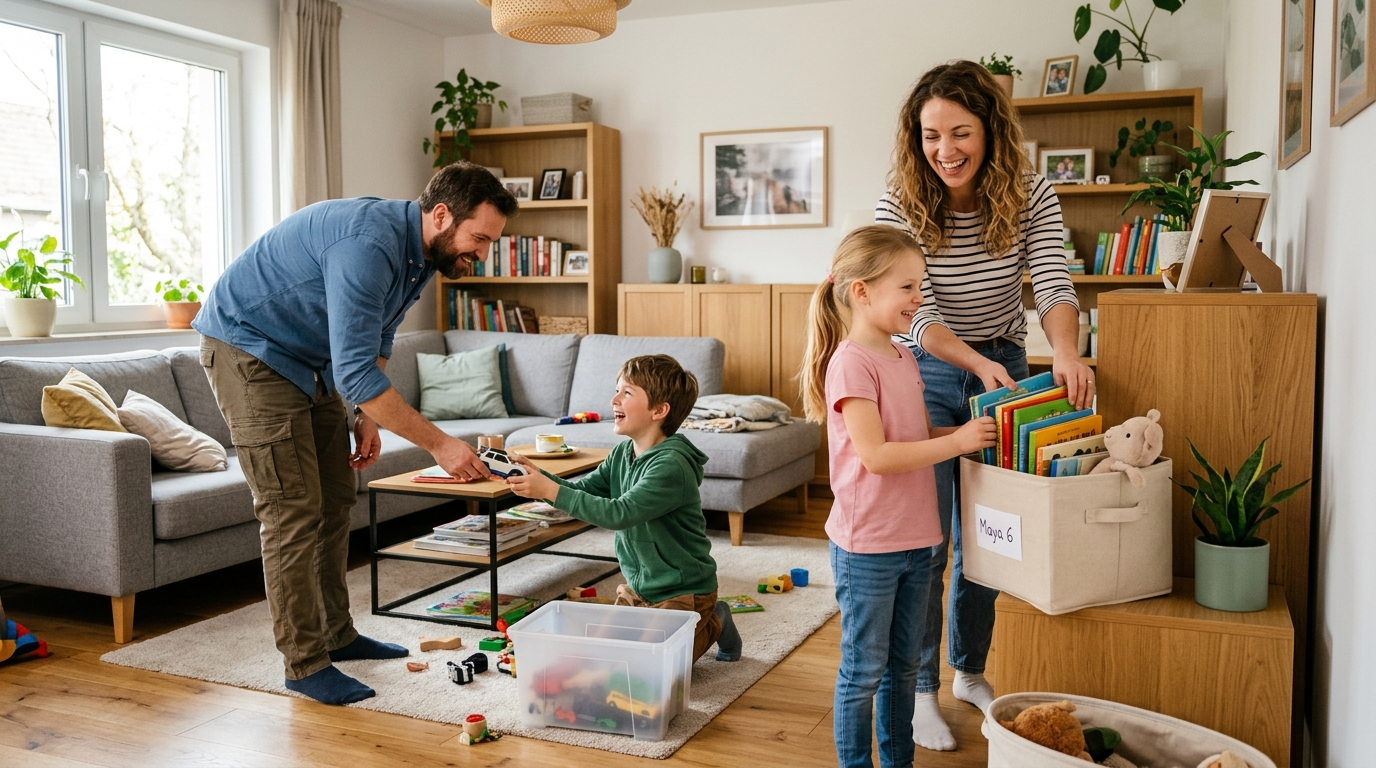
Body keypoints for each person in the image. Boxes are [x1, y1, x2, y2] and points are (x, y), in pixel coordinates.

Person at [193, 162, 519, 705]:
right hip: (248, 352)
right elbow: (356, 373)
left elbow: (380, 330)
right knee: (291, 510)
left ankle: (338, 636)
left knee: (336, 498)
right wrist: (440, 443)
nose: (481, 252)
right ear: (441, 216)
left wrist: (366, 413)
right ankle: (304, 663)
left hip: (307, 360)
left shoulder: (422, 252)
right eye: (478, 238)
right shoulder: (368, 245)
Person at [875, 60, 1093, 751]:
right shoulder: (899, 201)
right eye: (930, 136)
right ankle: (917, 690)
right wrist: (977, 363)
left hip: (1006, 363)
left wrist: (1063, 352)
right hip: (932, 370)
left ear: (992, 130)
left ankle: (969, 669)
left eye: (960, 133)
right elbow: (917, 315)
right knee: (929, 540)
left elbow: (1054, 282)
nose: (945, 151)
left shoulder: (1030, 191)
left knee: (992, 536)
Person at [799, 225, 997, 768]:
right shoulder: (851, 363)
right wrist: (954, 442)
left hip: (917, 539)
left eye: (921, 286)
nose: (920, 300)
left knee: (903, 668)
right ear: (861, 291)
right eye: (908, 288)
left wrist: (964, 438)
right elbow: (877, 456)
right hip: (868, 547)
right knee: (863, 671)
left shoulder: (904, 355)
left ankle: (898, 761)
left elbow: (908, 438)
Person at [505, 354, 742, 664]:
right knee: (604, 660)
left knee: (653, 668)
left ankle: (716, 619)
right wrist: (538, 477)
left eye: (627, 393)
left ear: (659, 410)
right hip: (638, 590)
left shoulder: (671, 466)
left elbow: (619, 513)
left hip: (683, 593)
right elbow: (584, 491)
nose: (614, 399)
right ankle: (664, 619)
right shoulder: (622, 454)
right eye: (617, 389)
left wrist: (548, 490)